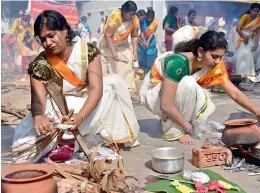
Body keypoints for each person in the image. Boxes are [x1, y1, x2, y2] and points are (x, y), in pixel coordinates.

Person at [12, 10, 140, 163]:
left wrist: (80, 116)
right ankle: (68, 143)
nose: (48, 43)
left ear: (64, 31)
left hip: (87, 108)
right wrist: (39, 116)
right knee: (20, 149)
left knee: (114, 85)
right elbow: (38, 101)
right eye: (43, 39)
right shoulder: (40, 64)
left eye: (51, 36)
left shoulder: (88, 52)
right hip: (59, 110)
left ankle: (98, 141)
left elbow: (96, 90)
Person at [139, 31, 260, 145]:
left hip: (171, 96)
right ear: (200, 52)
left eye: (221, 57)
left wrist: (256, 111)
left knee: (201, 93)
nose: (218, 61)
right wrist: (188, 127)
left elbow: (234, 93)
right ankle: (174, 131)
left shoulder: (214, 65)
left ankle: (183, 124)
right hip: (153, 95)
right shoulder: (178, 63)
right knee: (188, 83)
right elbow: (166, 104)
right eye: (214, 56)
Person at [100, 0, 139, 92]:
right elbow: (108, 35)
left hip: (122, 45)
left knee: (128, 62)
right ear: (124, 13)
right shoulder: (115, 17)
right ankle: (113, 90)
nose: (133, 17)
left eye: (134, 14)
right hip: (108, 45)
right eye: (130, 14)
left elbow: (135, 36)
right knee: (111, 69)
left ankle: (128, 90)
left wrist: (135, 51)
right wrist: (113, 52)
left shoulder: (135, 19)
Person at [10, 9, 38, 77]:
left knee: (33, 55)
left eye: (24, 15)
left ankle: (32, 69)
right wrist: (12, 35)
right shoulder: (17, 21)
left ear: (28, 15)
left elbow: (34, 30)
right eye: (22, 15)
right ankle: (24, 70)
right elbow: (12, 30)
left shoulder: (31, 21)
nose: (23, 17)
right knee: (24, 55)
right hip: (21, 41)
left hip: (30, 40)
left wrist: (32, 38)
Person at [235, 3, 260, 77]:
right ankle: (240, 74)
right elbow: (237, 29)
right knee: (241, 55)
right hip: (241, 38)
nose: (255, 13)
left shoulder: (259, 19)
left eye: (257, 11)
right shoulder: (245, 16)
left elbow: (258, 32)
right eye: (254, 11)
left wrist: (256, 43)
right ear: (250, 10)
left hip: (250, 39)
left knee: (248, 55)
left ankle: (249, 74)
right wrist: (244, 37)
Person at [137, 9, 158, 73]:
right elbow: (142, 32)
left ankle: (150, 73)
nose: (149, 19)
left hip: (151, 41)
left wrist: (148, 42)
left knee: (151, 59)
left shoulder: (155, 22)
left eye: (151, 18)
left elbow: (152, 33)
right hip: (142, 41)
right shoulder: (142, 22)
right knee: (142, 59)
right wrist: (144, 42)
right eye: (148, 17)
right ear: (146, 16)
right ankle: (142, 72)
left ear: (153, 17)